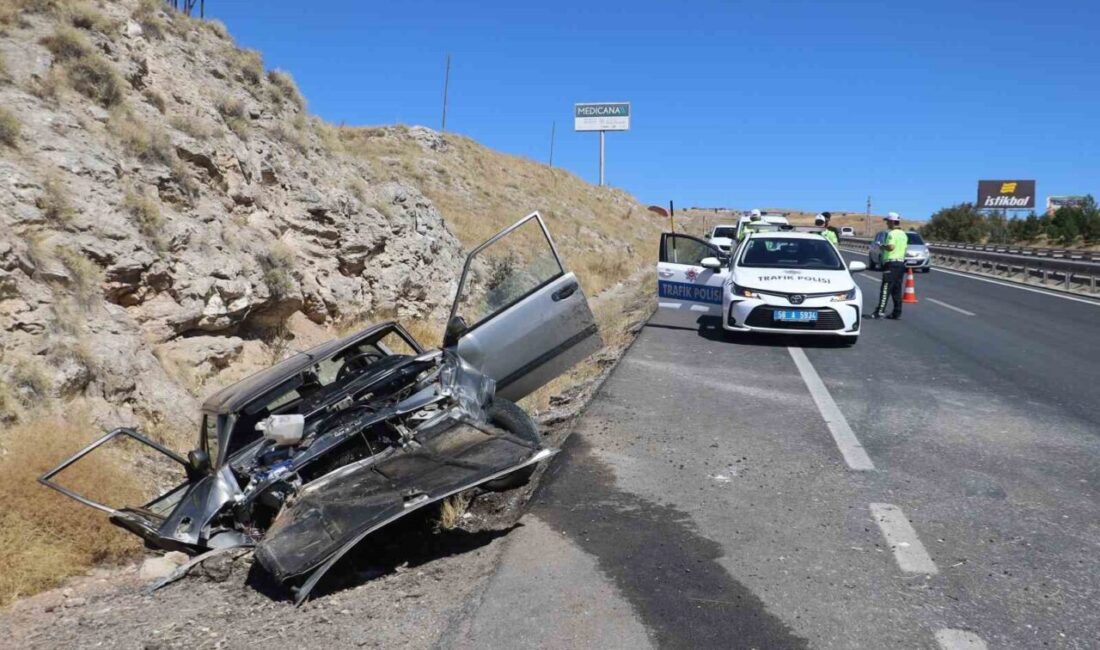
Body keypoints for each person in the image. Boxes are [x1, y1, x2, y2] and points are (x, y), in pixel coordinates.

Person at [869, 212, 908, 320]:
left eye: (887, 221)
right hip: (900, 263)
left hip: (891, 264)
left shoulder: (892, 234)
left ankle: (879, 311)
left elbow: (891, 247)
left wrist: (882, 246)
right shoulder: (903, 234)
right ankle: (897, 312)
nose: (887, 224)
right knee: (897, 289)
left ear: (891, 222)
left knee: (886, 288)